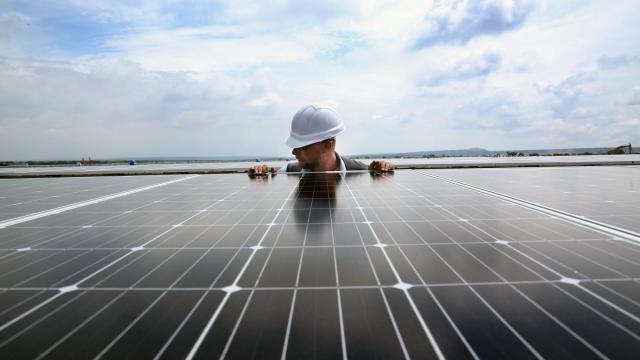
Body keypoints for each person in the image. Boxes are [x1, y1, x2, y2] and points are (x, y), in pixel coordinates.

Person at [248, 105, 394, 175]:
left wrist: (384, 168)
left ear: (326, 146)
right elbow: (271, 174)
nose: (293, 151)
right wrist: (261, 171)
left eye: (302, 146)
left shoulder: (361, 172)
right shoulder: (289, 170)